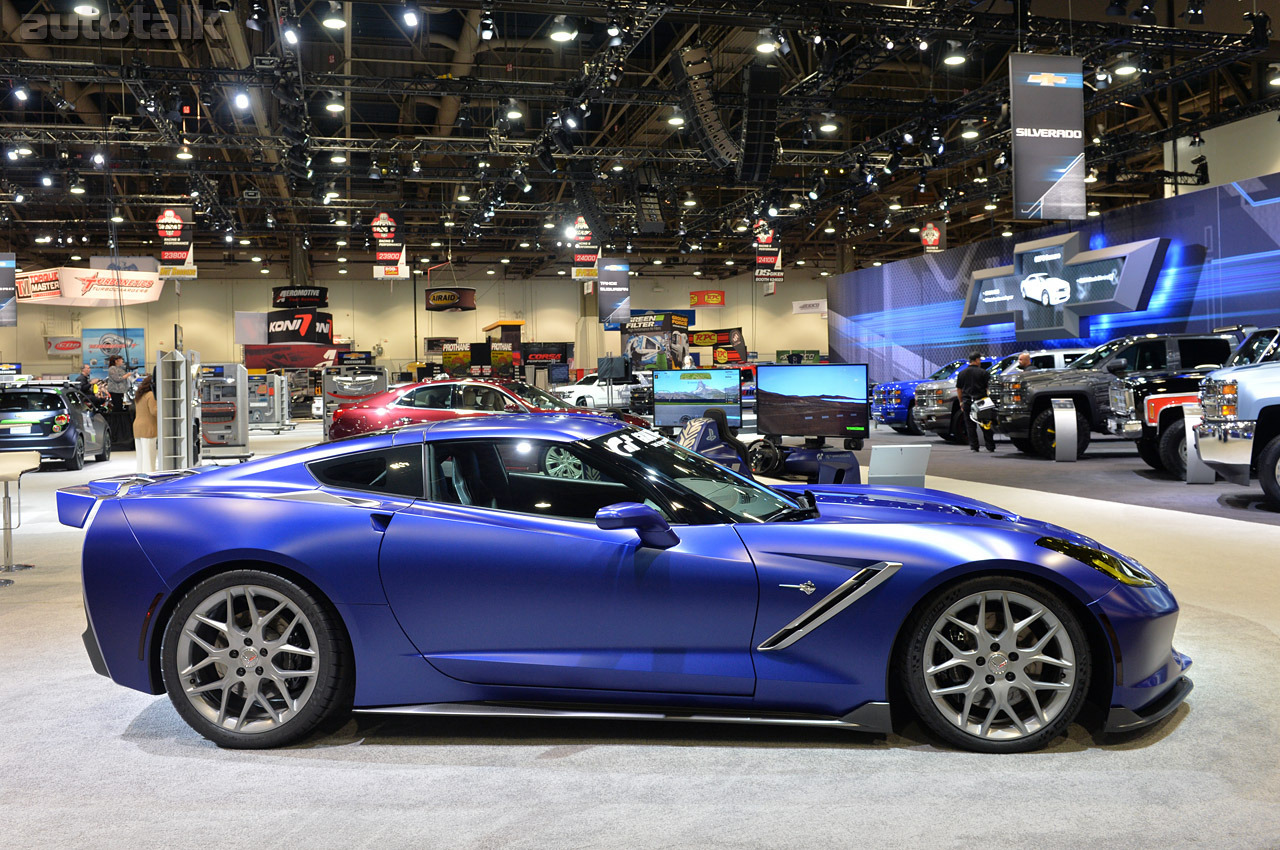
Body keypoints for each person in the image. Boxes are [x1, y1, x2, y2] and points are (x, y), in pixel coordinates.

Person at [955, 351, 995, 453]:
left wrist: (961, 402)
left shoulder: (961, 373)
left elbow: (959, 389)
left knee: (970, 425)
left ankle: (974, 447)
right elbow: (988, 388)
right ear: (977, 360)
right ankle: (990, 446)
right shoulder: (983, 373)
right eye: (980, 360)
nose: (980, 361)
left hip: (967, 401)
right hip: (982, 401)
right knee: (985, 424)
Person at [132, 374, 158, 473]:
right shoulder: (150, 395)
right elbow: (154, 411)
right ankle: (149, 475)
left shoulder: (139, 395)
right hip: (148, 427)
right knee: (149, 456)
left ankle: (140, 475)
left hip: (137, 427)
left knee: (141, 456)